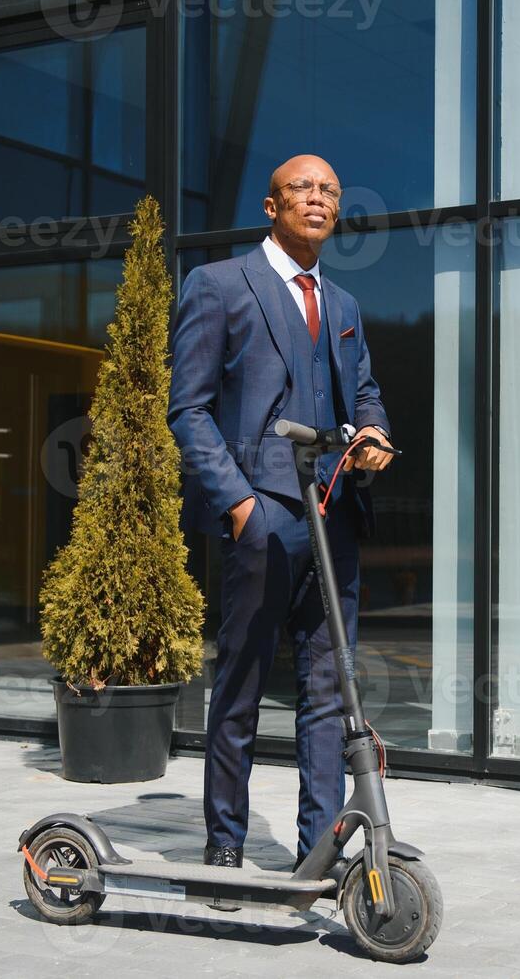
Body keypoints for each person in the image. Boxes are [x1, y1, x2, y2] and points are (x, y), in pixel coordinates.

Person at [169, 154, 393, 871]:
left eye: (330, 189)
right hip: (263, 516)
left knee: (329, 697)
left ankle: (317, 855)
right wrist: (237, 504)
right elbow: (189, 410)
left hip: (336, 519)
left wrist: (374, 434)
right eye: (302, 188)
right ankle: (224, 846)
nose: (319, 198)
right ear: (271, 206)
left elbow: (364, 393)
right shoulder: (219, 285)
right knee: (238, 689)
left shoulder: (346, 307)